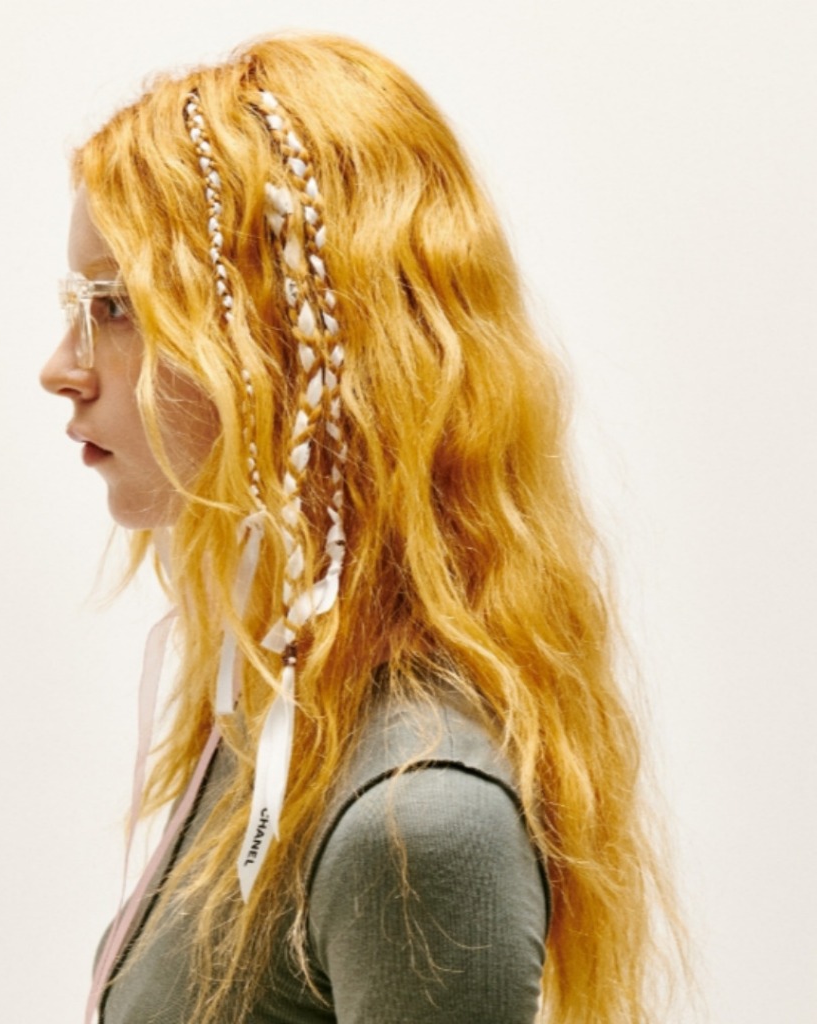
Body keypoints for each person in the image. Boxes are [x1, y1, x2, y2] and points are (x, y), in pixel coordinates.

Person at [41, 33, 681, 1024]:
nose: (61, 368)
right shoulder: (281, 716)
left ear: (291, 341)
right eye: (79, 304)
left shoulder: (417, 816)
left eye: (117, 305)